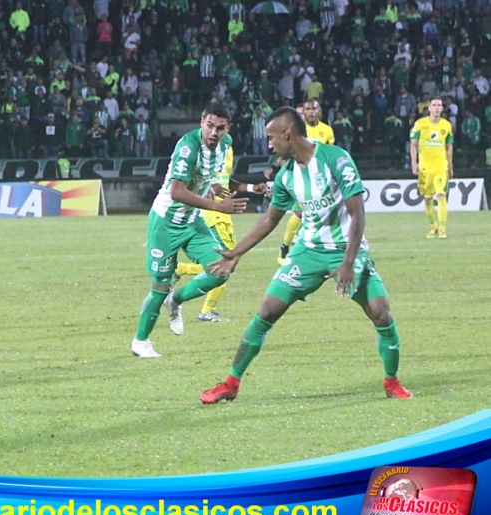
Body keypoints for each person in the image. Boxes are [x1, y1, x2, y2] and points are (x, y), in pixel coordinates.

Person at [200, 106, 412, 404]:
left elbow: (357, 213)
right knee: (266, 311)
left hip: (346, 250)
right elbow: (269, 220)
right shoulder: (287, 175)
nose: (270, 144)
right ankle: (231, 383)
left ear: (288, 134)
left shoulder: (335, 159)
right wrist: (236, 253)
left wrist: (348, 262)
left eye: (272, 138)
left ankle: (392, 382)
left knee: (381, 312)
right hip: (307, 251)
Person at [132, 101, 249, 358]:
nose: (214, 133)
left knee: (223, 267)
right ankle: (140, 342)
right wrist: (218, 207)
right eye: (210, 126)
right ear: (201, 122)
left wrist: (246, 189)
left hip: (192, 221)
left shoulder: (225, 146)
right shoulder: (188, 147)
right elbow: (177, 191)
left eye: (220, 128)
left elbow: (209, 180)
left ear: (228, 128)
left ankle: (176, 301)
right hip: (166, 223)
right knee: (159, 287)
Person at [174, 144, 270, 322]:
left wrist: (251, 188)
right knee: (226, 262)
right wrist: (209, 186)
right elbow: (188, 179)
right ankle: (206, 311)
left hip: (225, 214)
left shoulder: (228, 149)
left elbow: (226, 182)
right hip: (211, 213)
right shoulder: (201, 149)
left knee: (228, 262)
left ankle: (181, 269)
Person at [278, 99, 335, 265]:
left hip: (321, 177)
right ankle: (285, 245)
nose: (311, 112)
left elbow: (330, 152)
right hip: (301, 174)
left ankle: (305, 243)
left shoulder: (327, 130)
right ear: (303, 111)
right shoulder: (299, 129)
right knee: (299, 212)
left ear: (319, 110)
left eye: (314, 109)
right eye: (308, 109)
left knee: (317, 211)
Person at [410, 96, 454, 239]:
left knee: (441, 195)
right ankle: (433, 225)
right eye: (434, 105)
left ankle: (442, 228)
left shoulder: (446, 125)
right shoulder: (419, 124)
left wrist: (450, 165)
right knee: (428, 198)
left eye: (439, 105)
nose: (436, 108)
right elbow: (413, 144)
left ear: (442, 108)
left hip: (441, 167)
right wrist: (414, 163)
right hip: (425, 168)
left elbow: (449, 147)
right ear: (429, 108)